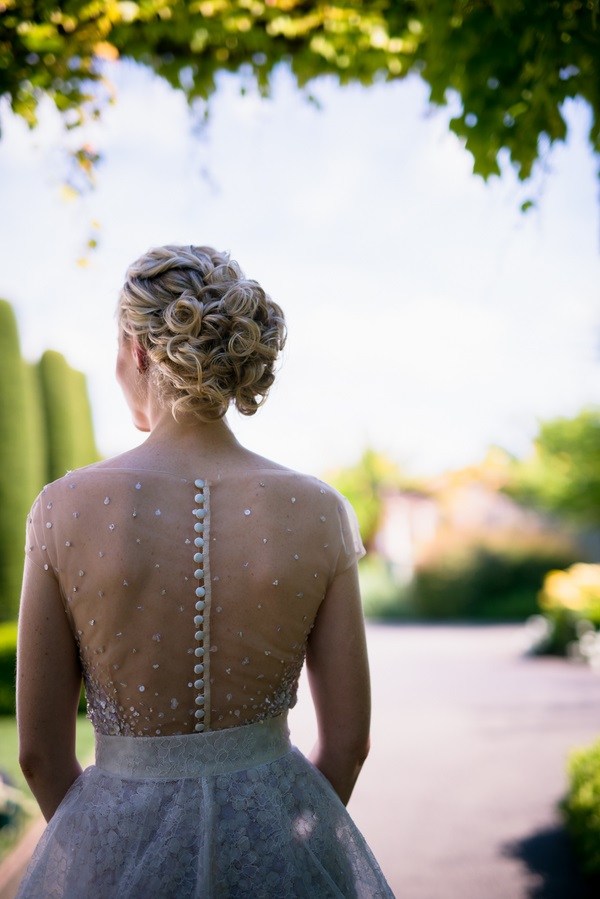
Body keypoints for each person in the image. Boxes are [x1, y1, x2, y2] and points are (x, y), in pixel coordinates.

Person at [16, 245, 394, 897]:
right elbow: (349, 743)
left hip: (117, 851)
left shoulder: (62, 508)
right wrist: (283, 848)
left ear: (137, 350)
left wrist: (106, 855)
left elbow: (39, 755)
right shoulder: (320, 510)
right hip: (275, 849)